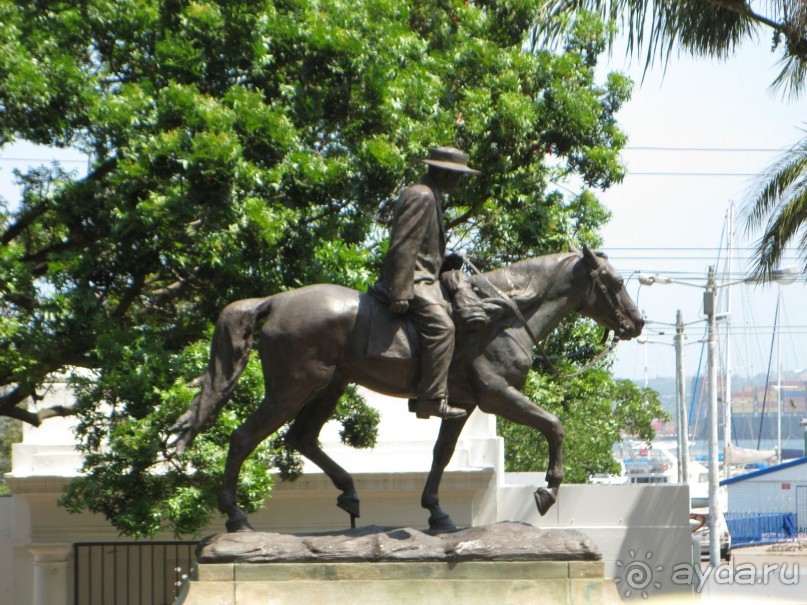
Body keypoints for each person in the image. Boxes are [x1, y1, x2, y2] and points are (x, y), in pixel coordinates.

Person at [371, 147, 481, 420]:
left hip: (426, 277)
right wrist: (400, 290)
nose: (459, 182)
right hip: (415, 281)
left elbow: (423, 248)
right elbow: (404, 245)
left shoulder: (431, 195)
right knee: (442, 327)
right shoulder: (421, 195)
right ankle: (431, 399)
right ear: (444, 172)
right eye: (457, 176)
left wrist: (445, 260)